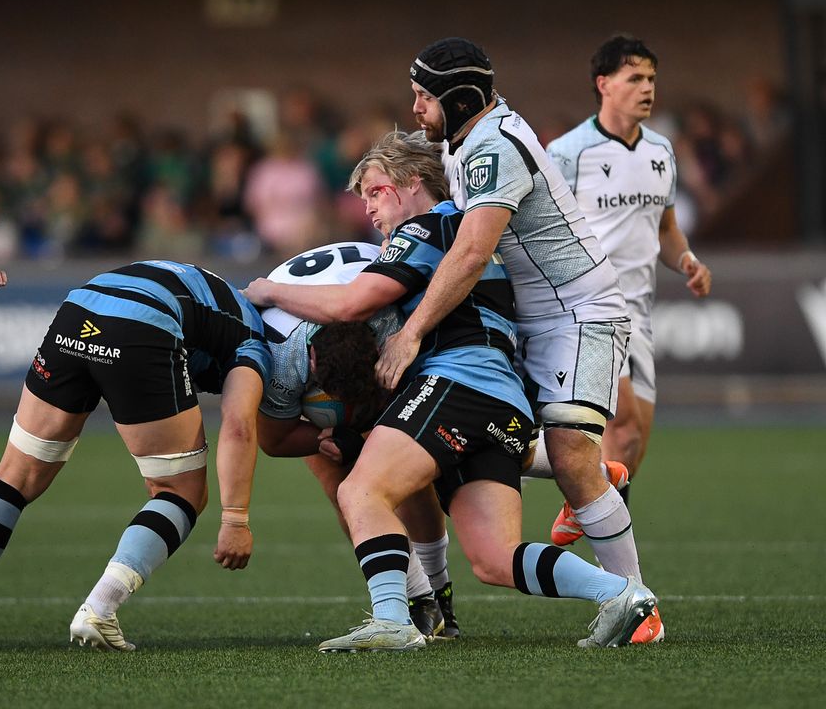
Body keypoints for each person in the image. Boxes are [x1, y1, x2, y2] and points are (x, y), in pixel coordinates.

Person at [246, 131, 656, 650]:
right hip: (502, 400)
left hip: (460, 382)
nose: (368, 208)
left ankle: (394, 619)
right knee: (494, 558)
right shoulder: (467, 231)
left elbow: (352, 305)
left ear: (410, 182)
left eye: (374, 191)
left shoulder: (428, 225)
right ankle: (620, 594)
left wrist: (267, 290)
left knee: (360, 490)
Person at [374, 38, 662, 644]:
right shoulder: (464, 143)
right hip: (532, 317)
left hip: (578, 312)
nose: (417, 107)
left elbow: (474, 251)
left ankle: (641, 610)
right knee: (509, 435)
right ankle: (603, 481)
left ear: (459, 100)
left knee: (569, 457)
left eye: (425, 96)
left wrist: (412, 332)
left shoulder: (493, 148)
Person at [0, 260, 272, 652]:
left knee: (15, 476)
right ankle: (100, 608)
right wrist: (235, 518)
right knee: (180, 492)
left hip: (79, 307)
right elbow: (238, 424)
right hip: (143, 324)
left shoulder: (227, 302)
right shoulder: (259, 342)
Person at [545, 36, 712, 552]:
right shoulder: (568, 154)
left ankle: (587, 509)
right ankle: (615, 566)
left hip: (639, 310)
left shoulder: (661, 152)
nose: (647, 89)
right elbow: (544, 229)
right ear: (604, 84)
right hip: (589, 307)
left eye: (652, 79)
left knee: (633, 443)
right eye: (635, 78)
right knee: (621, 419)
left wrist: (685, 259)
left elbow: (666, 230)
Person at [254, 241, 458, 639]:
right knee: (343, 486)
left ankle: (439, 585)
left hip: (367, 301)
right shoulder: (279, 356)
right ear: (312, 362)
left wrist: (362, 434)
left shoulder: (392, 323)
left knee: (407, 472)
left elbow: (413, 394)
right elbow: (273, 441)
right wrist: (329, 440)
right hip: (310, 322)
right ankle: (418, 597)